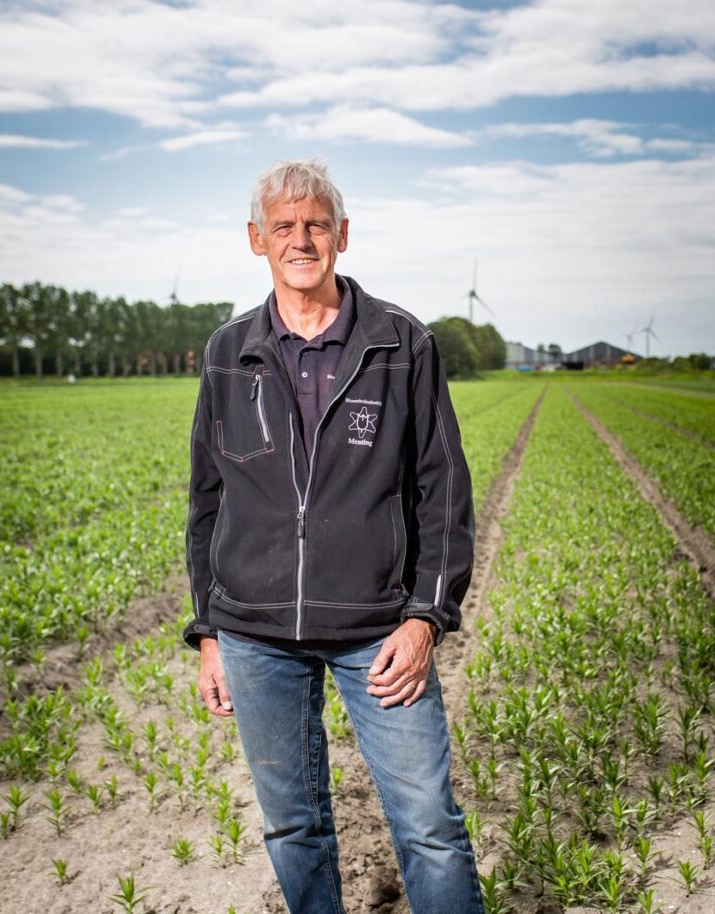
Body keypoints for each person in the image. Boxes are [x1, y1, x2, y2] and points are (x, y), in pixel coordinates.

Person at [183, 157, 484, 914]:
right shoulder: (227, 351)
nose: (301, 239)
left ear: (343, 235)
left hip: (377, 634)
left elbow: (442, 488)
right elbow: (207, 500)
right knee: (292, 827)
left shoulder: (401, 342)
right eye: (284, 226)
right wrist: (210, 634)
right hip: (254, 637)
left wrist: (425, 618)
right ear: (257, 240)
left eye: (316, 224)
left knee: (429, 828)